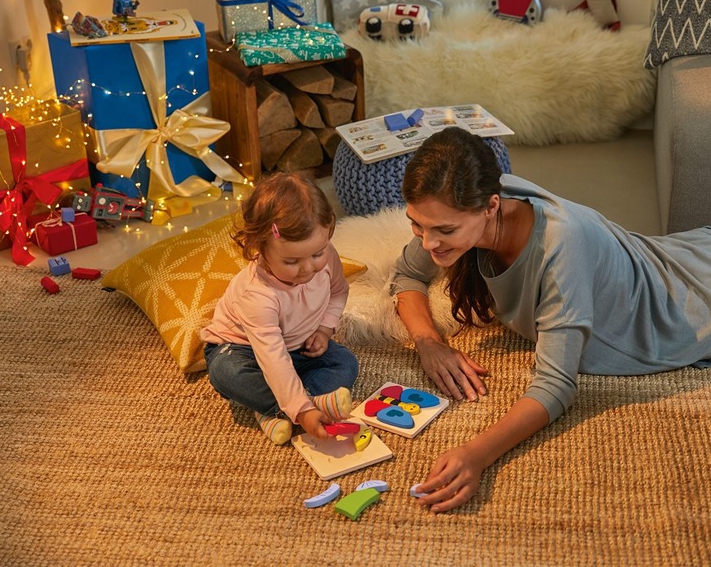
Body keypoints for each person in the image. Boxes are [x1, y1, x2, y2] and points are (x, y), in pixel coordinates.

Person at [391, 126, 711, 512]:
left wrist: (476, 454)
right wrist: (429, 343)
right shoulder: (465, 200)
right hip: (667, 259)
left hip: (690, 305)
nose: (428, 243)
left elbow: (557, 386)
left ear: (491, 206)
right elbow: (407, 274)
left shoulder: (561, 245)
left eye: (444, 230)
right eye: (416, 224)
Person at [201, 172, 359, 446]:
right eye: (291, 261)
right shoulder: (257, 294)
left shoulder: (328, 255)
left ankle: (275, 408)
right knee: (225, 372)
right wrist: (303, 410)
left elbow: (338, 292)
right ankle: (293, 407)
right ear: (259, 247)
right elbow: (271, 356)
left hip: (299, 345)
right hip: (243, 348)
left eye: (317, 254)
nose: (308, 268)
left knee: (346, 363)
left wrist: (324, 329)